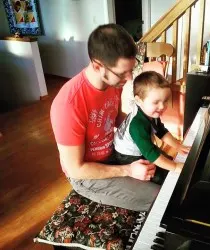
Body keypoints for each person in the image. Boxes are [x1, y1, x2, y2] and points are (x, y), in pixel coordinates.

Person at [50, 24, 160, 212]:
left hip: (113, 154)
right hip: (87, 175)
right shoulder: (68, 105)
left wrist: (146, 120)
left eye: (131, 70)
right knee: (160, 200)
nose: (130, 78)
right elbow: (76, 169)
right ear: (97, 66)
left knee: (168, 176)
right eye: (122, 73)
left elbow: (116, 118)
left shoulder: (113, 85)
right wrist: (128, 170)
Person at [114, 71, 190, 183]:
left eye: (165, 101)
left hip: (143, 146)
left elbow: (161, 131)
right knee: (158, 174)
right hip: (127, 156)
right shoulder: (137, 125)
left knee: (168, 160)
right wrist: (175, 167)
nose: (162, 106)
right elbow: (150, 153)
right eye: (156, 102)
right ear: (138, 100)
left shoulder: (150, 112)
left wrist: (178, 146)